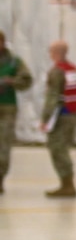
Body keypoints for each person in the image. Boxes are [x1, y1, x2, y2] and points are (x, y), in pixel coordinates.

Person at [42, 40, 76, 200]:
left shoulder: (57, 71)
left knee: (57, 149)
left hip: (60, 116)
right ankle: (67, 183)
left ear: (56, 53)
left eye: (51, 51)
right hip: (73, 115)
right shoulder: (75, 70)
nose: (50, 54)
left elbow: (52, 97)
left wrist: (45, 119)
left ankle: (67, 184)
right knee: (63, 148)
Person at [0, 32, 31, 194]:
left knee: (3, 145)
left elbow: (27, 80)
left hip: (7, 108)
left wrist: (12, 82)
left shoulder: (14, 62)